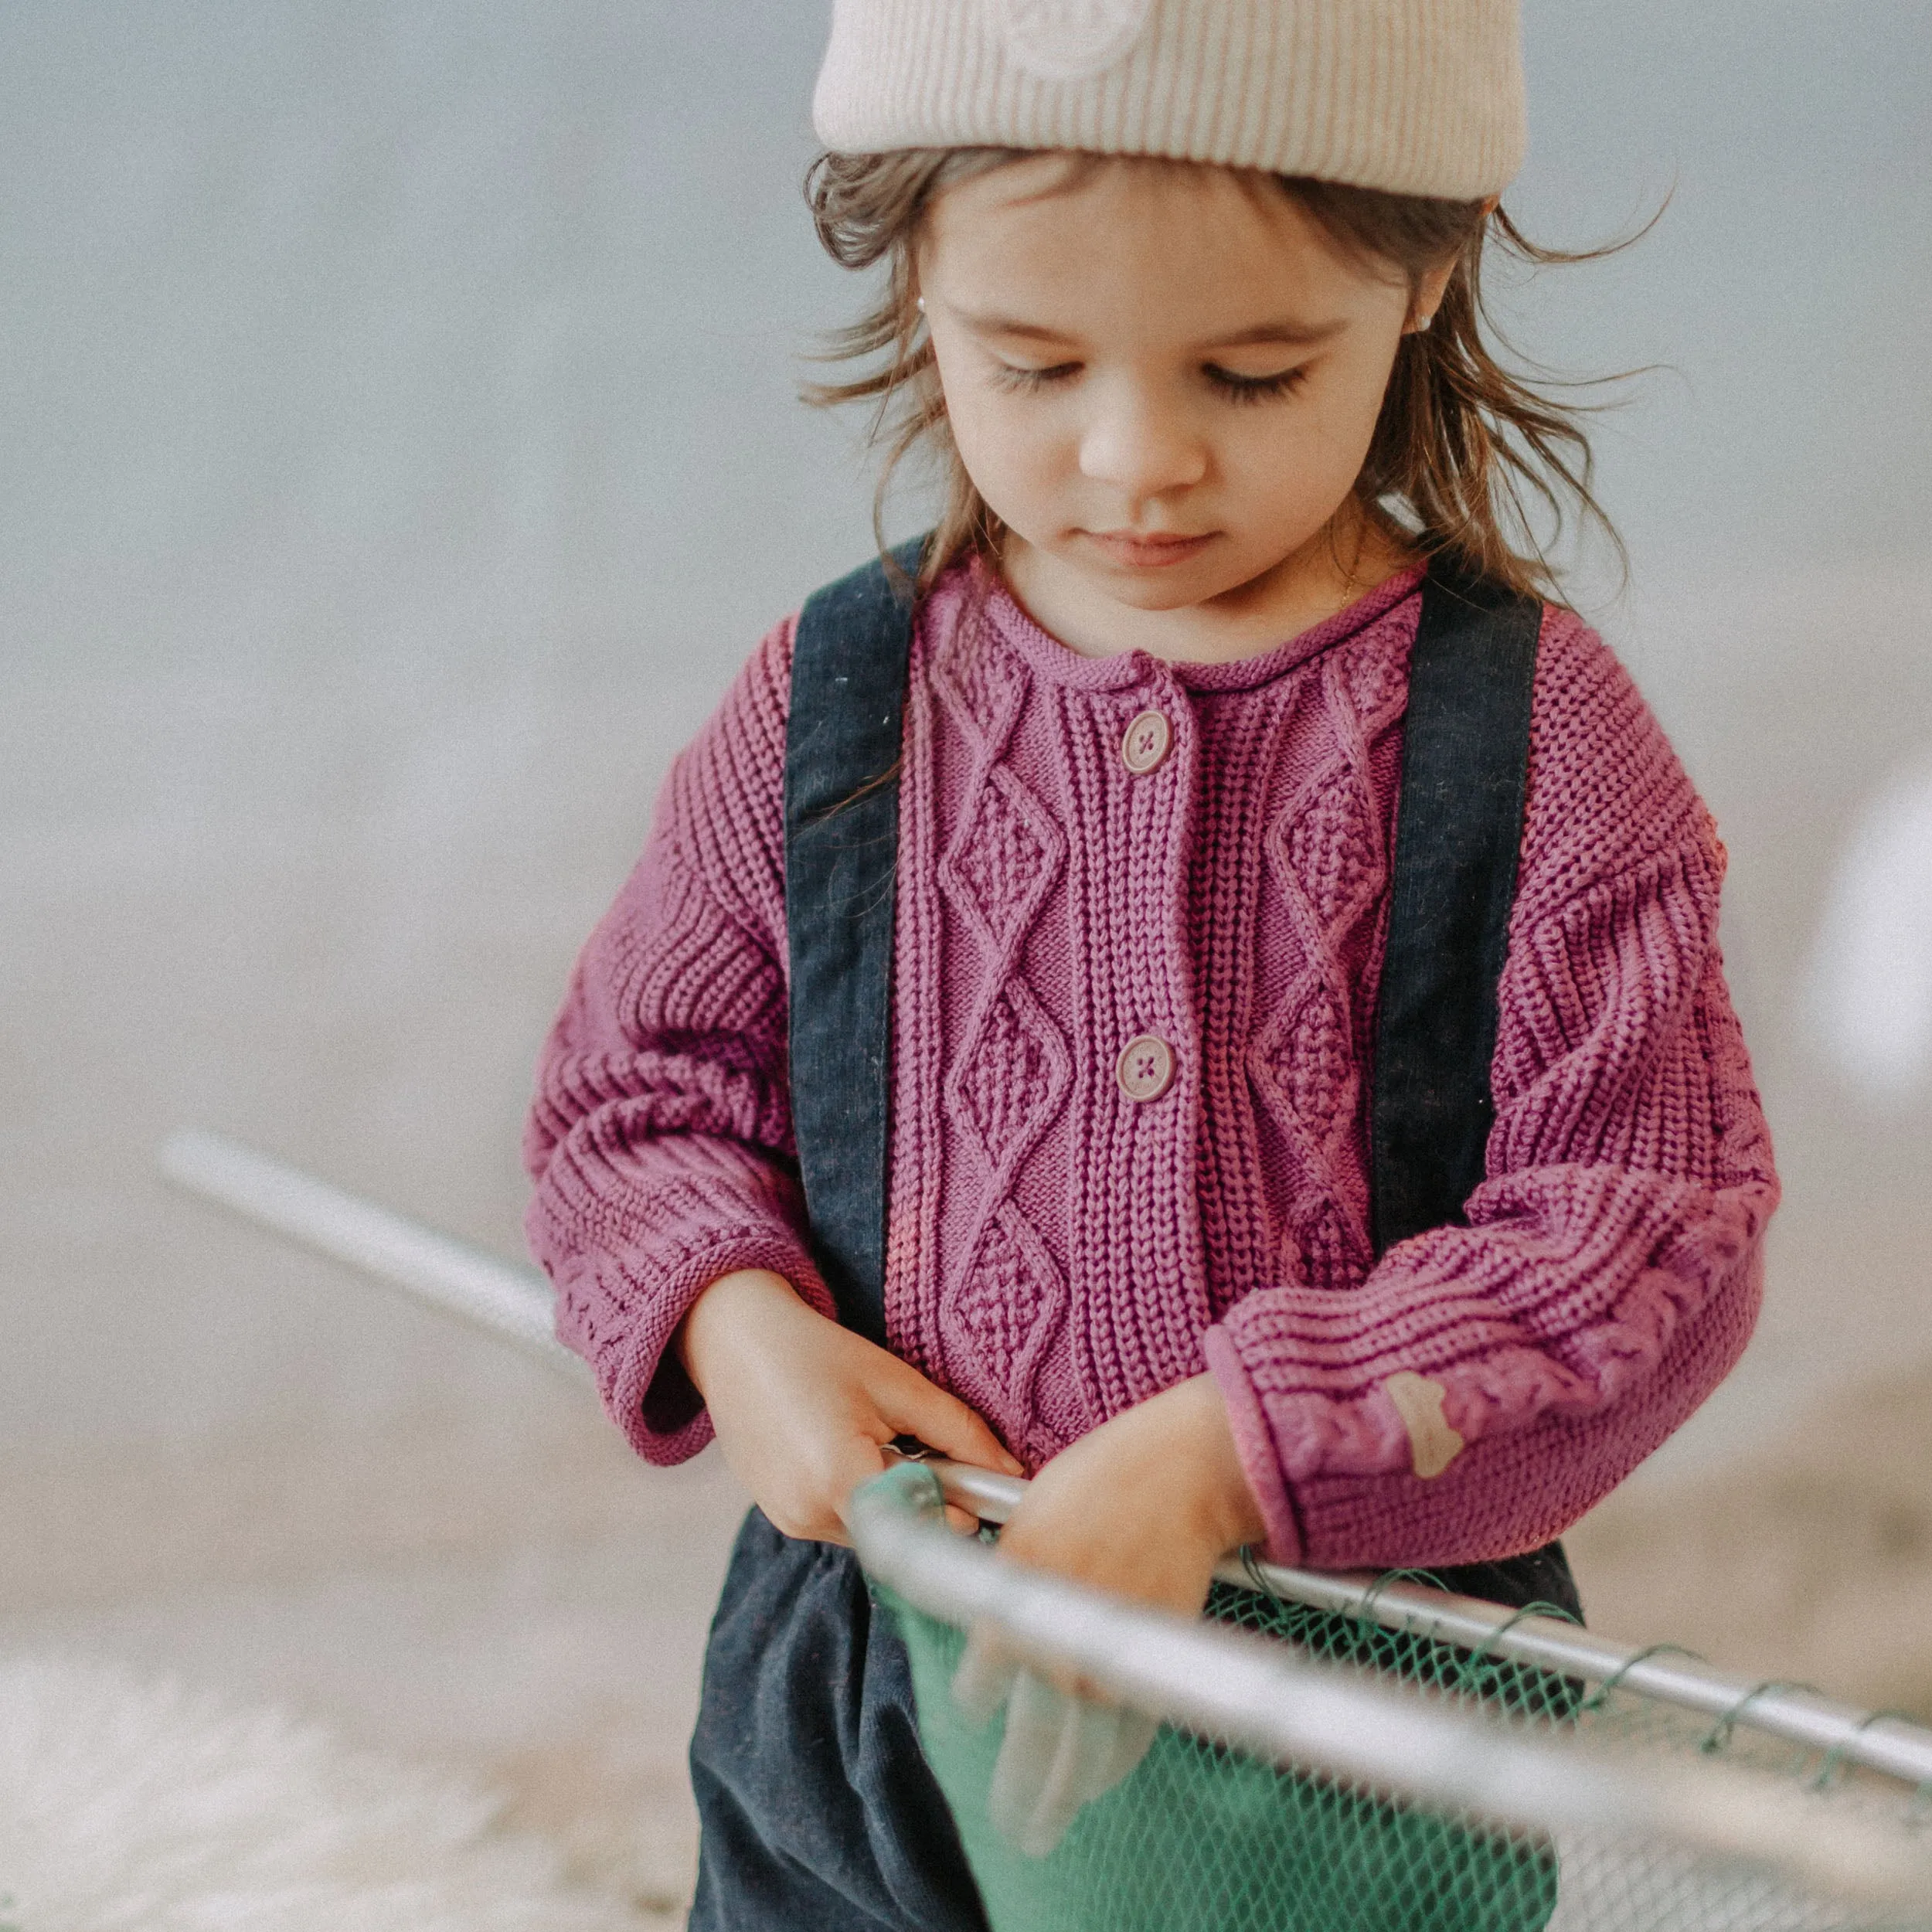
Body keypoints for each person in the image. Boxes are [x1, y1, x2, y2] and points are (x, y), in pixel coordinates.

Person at [523, 2, 1779, 1925]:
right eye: (1026, 362)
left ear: (1426, 269)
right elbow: (635, 1098)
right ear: (915, 276)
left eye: (1252, 373)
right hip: (874, 1687)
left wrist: (1235, 1447)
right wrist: (730, 1318)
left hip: (1346, 1699)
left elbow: (1646, 1226)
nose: (1133, 460)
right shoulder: (830, 706)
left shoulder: (1533, 744)